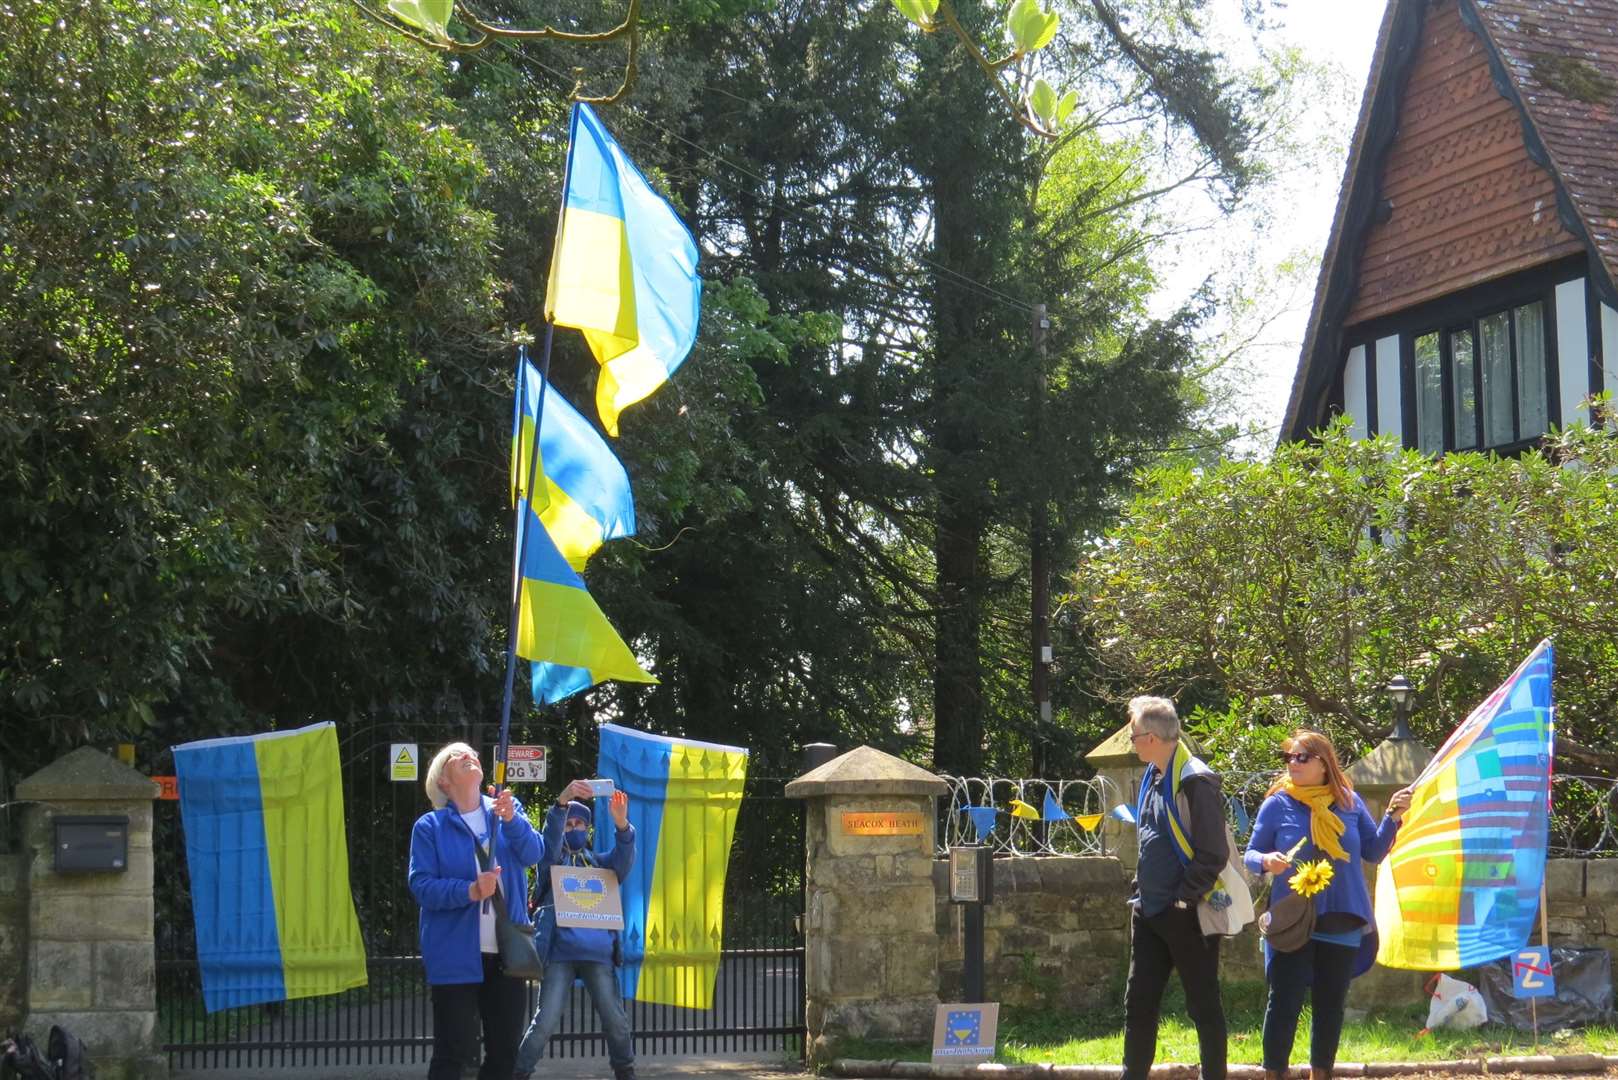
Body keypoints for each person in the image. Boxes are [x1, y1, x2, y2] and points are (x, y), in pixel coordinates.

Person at [1243, 730, 1413, 1080]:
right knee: (1284, 1002)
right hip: (1294, 920)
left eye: (1302, 757)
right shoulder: (1278, 804)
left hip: (1342, 917)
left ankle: (1322, 1073)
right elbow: (1250, 854)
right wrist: (1266, 860)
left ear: (1324, 764)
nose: (1293, 763)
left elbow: (1374, 850)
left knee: (1330, 1005)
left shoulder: (1351, 802)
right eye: (1289, 756)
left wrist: (1393, 816)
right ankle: (1275, 1073)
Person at [408, 743, 544, 1080]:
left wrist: (512, 819)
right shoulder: (429, 827)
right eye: (456, 755)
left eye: (472, 753)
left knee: (505, 1054)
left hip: (506, 954)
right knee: (453, 1055)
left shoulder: (506, 809)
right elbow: (422, 885)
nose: (469, 755)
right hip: (454, 954)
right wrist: (469, 890)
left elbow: (534, 853)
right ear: (442, 782)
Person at [1122, 695, 1229, 1080]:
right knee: (1138, 1003)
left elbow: (1213, 852)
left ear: (1151, 737)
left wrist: (1184, 899)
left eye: (1133, 735)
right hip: (1148, 909)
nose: (1131, 742)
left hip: (1185, 913)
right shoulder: (1151, 775)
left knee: (1202, 1005)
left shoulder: (1195, 780)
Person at [513, 778, 638, 1080]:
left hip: (598, 956)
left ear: (589, 829)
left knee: (615, 1020)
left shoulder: (600, 863)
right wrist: (561, 804)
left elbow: (623, 862)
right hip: (559, 955)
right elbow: (550, 840)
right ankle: (518, 1073)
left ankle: (625, 1072)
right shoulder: (551, 862)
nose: (575, 829)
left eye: (581, 824)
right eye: (570, 824)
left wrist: (622, 825)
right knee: (544, 1021)